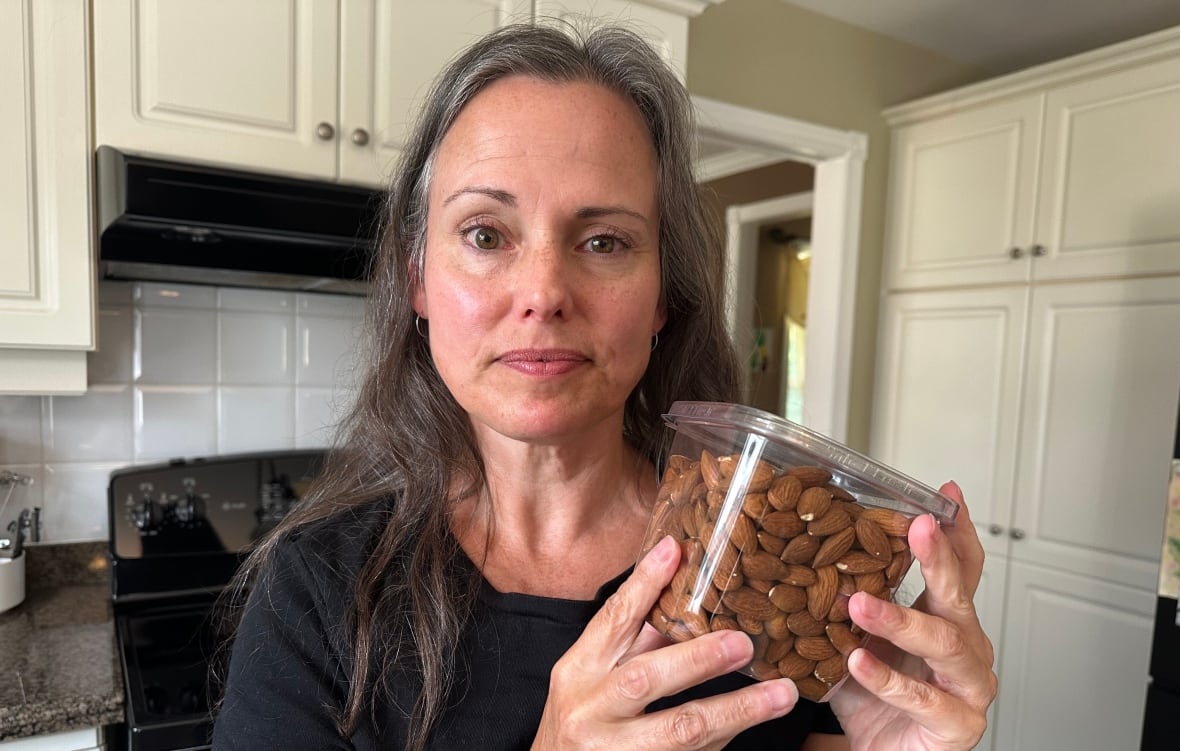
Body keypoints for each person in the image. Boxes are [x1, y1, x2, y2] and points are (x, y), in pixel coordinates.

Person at [211, 22, 996, 751]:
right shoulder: (314, 595)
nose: (545, 291)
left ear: (660, 298)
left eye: (604, 240)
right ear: (418, 279)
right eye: (485, 233)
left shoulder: (763, 555)